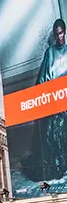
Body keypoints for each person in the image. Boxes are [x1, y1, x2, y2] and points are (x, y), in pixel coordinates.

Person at [36, 18, 67, 180]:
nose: (59, 37)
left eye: (61, 33)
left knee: (60, 129)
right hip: (52, 99)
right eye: (56, 34)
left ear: (65, 32)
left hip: (65, 99)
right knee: (49, 133)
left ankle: (62, 163)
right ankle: (57, 163)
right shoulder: (50, 52)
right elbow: (43, 77)